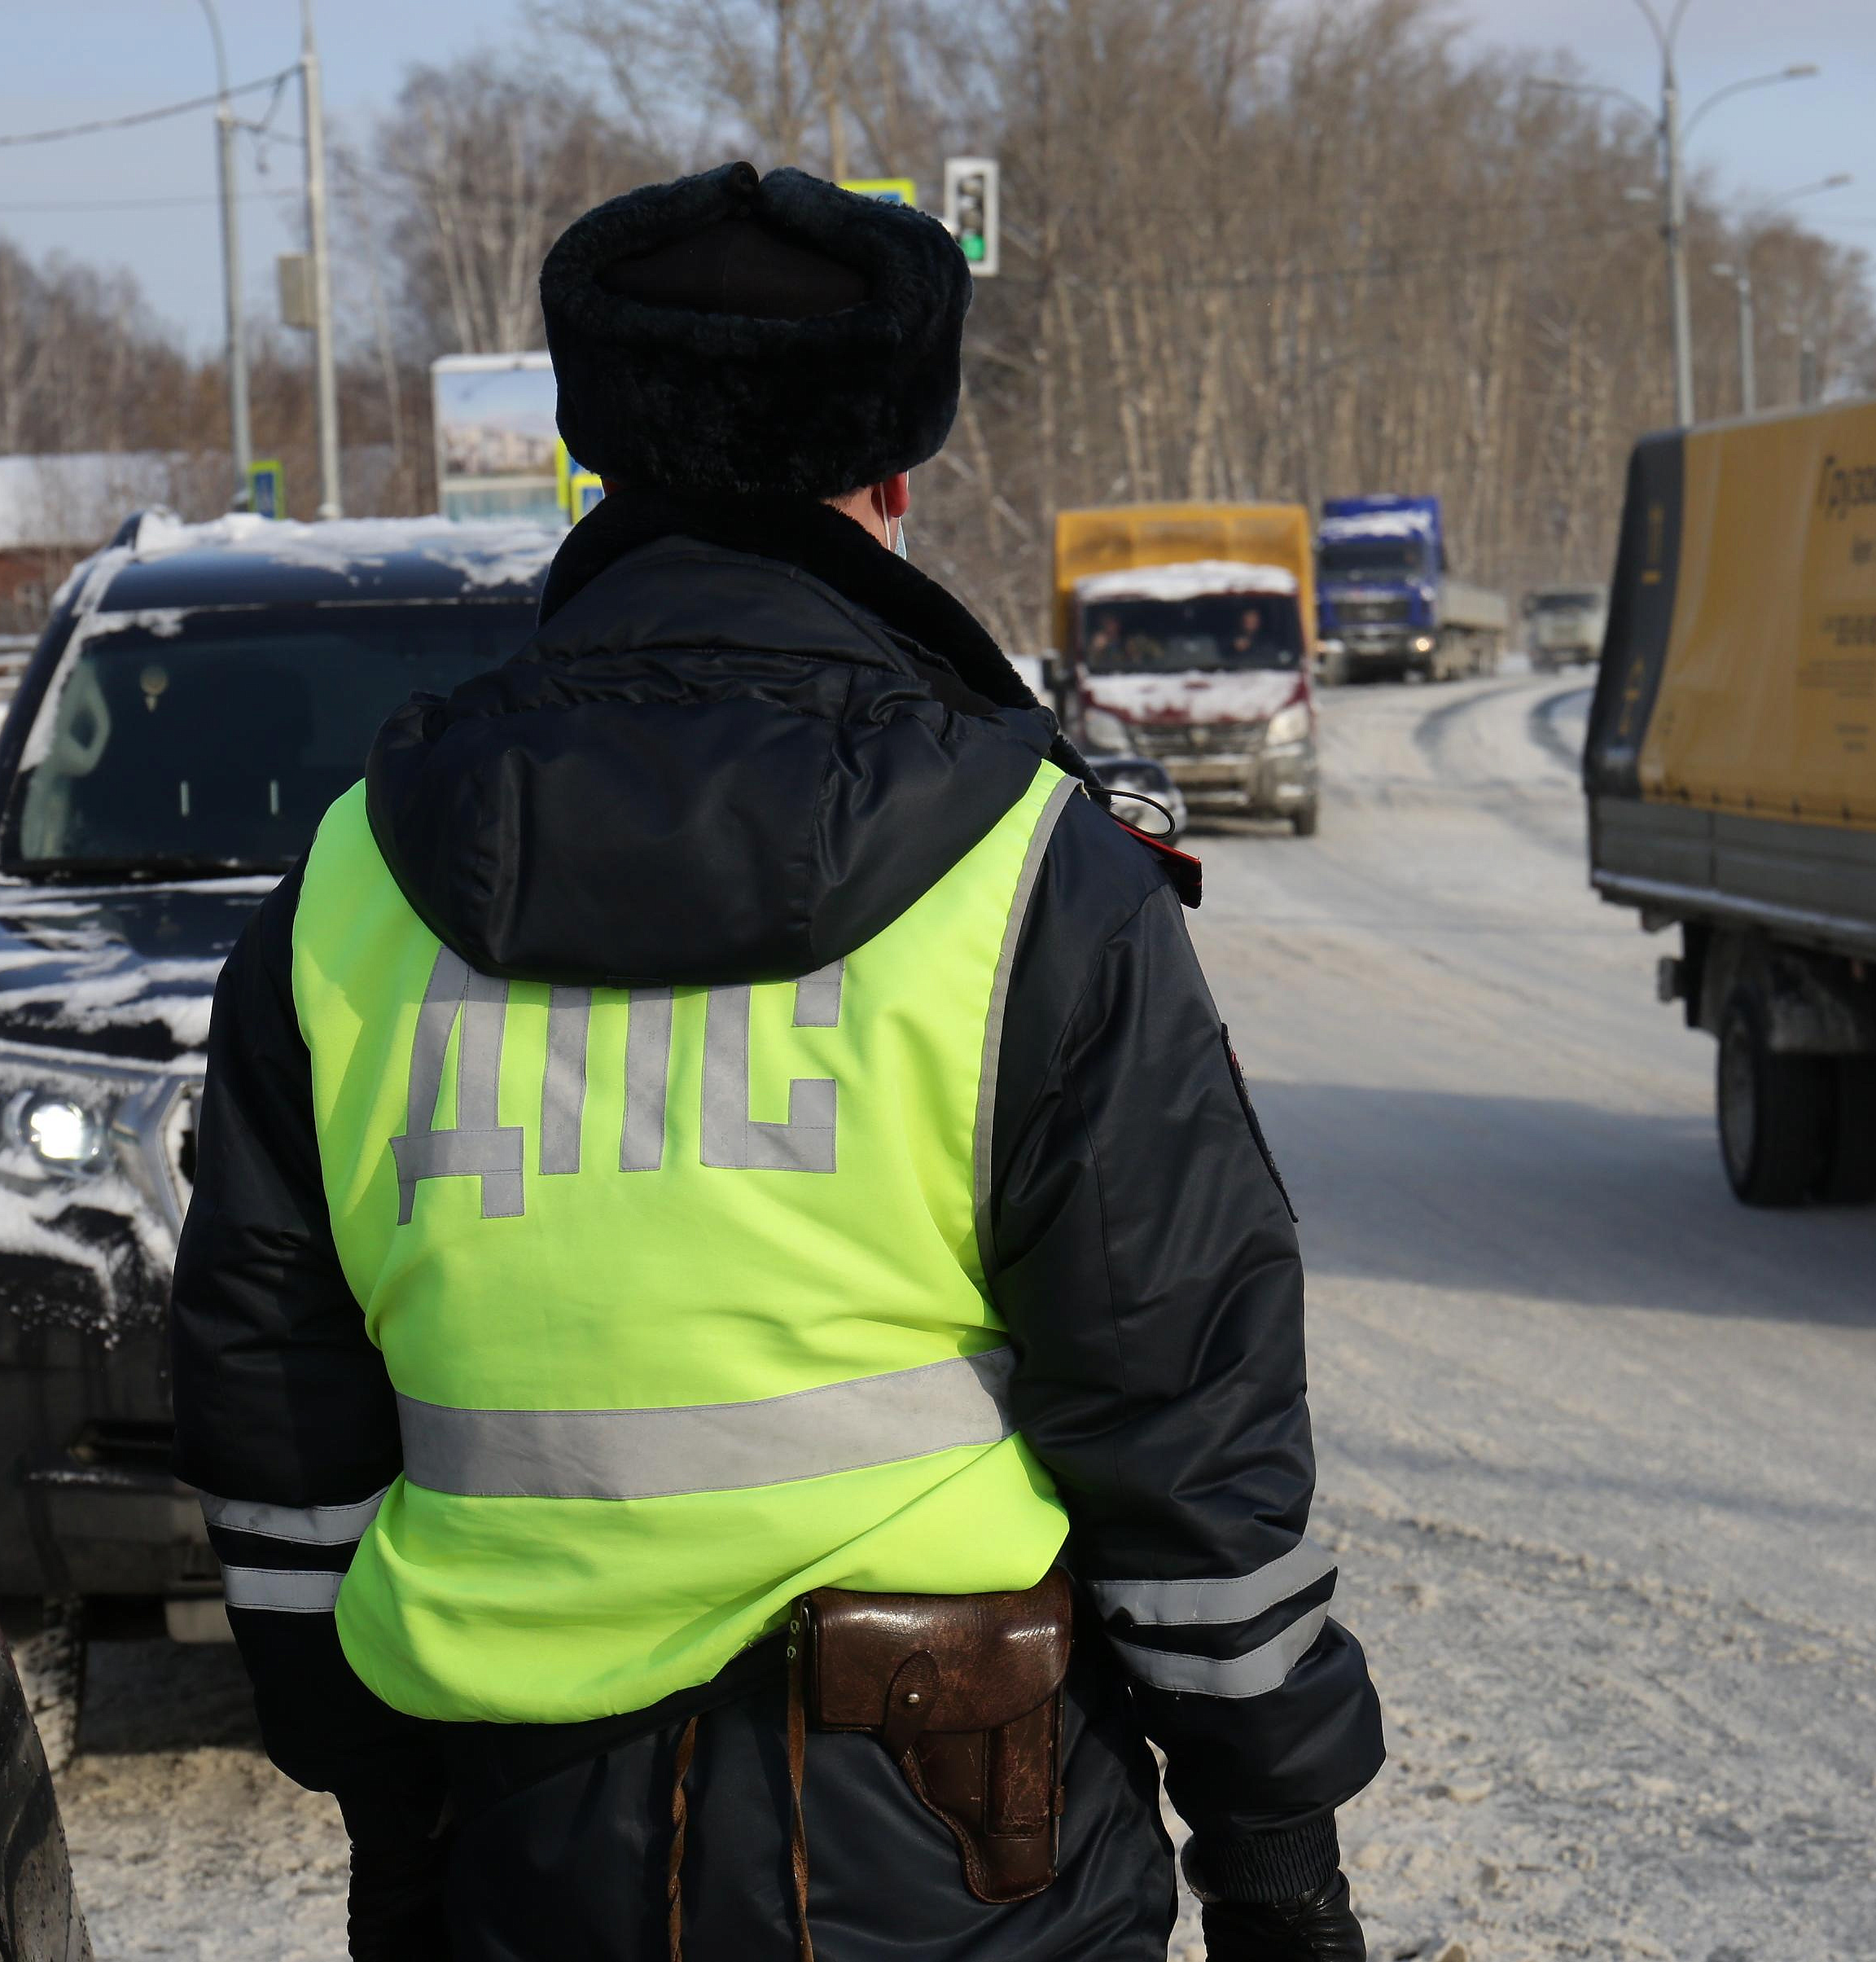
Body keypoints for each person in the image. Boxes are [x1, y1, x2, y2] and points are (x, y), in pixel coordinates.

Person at [170, 159, 1383, 1961]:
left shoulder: (349, 879)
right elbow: (1182, 1406)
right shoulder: (1027, 872)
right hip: (973, 1856)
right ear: (889, 484)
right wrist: (1275, 1855)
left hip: (521, 1854)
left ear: (599, 462)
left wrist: (377, 1796)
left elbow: (275, 1400)